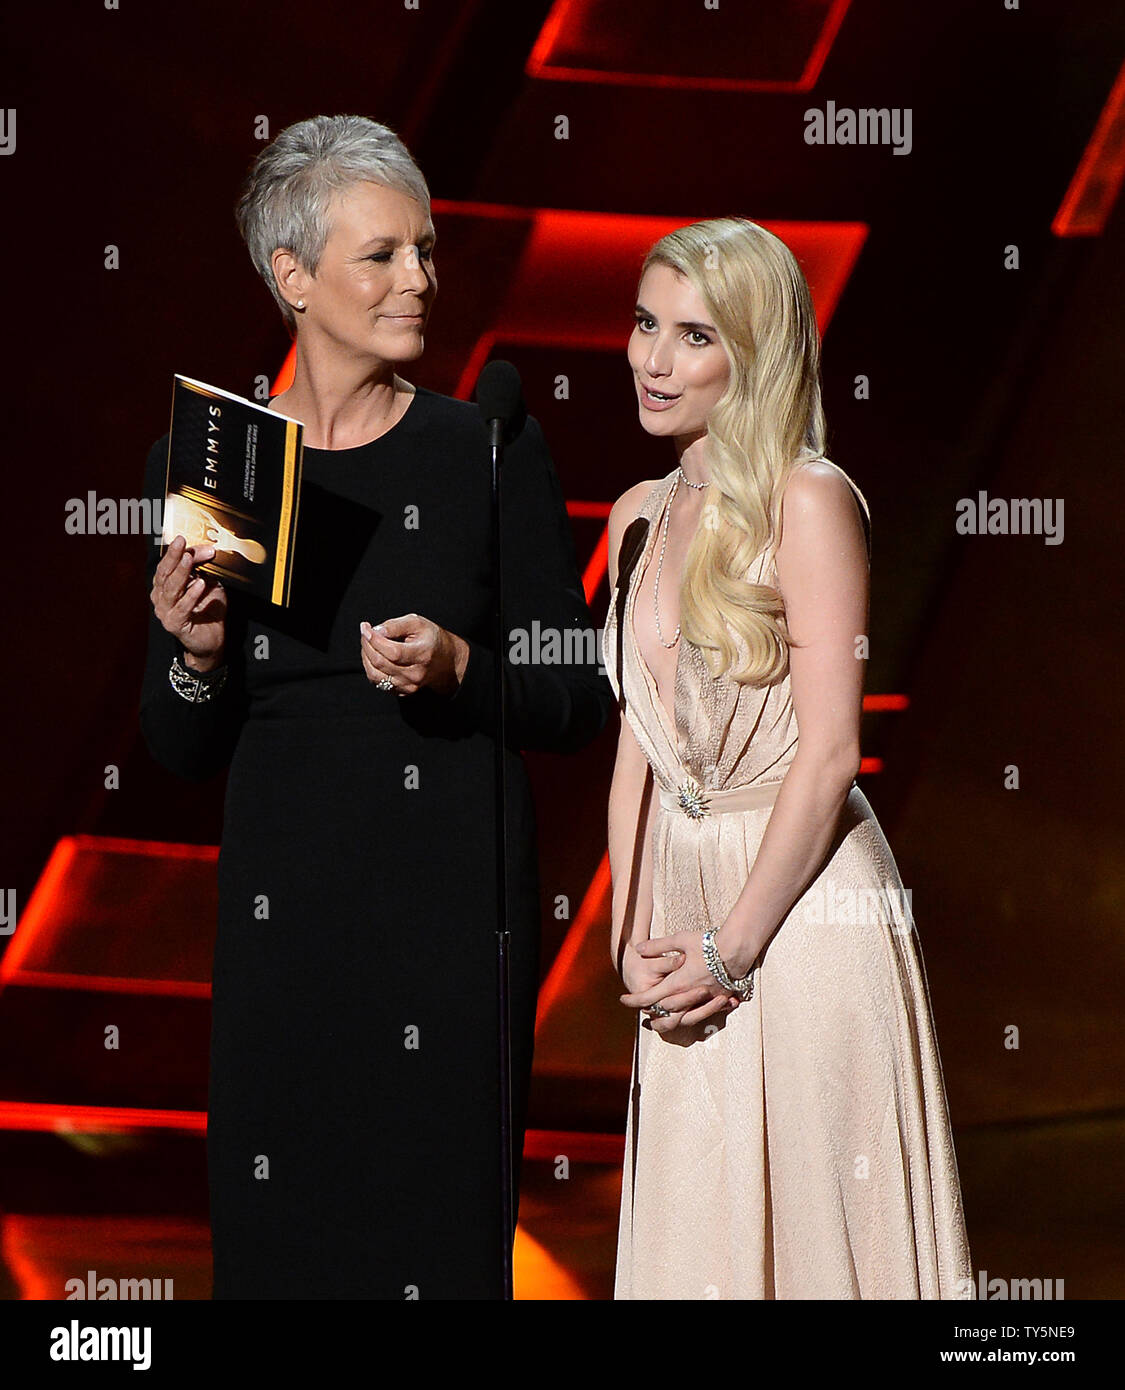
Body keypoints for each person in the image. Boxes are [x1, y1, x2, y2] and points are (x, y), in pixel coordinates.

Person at [140, 113, 613, 1299]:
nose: (421, 279)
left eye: (427, 249)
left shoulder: (482, 449)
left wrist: (464, 668)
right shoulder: (223, 467)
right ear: (291, 278)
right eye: (382, 255)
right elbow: (181, 745)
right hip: (284, 933)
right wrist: (194, 650)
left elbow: (575, 690)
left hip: (447, 934)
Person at [604, 217, 972, 1299]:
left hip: (803, 910)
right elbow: (639, 743)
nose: (653, 359)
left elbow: (831, 757)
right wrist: (630, 936)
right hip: (680, 913)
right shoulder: (636, 515)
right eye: (643, 324)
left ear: (753, 356)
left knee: (818, 1243)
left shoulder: (810, 500)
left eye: (692, 336)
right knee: (700, 1241)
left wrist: (731, 951)